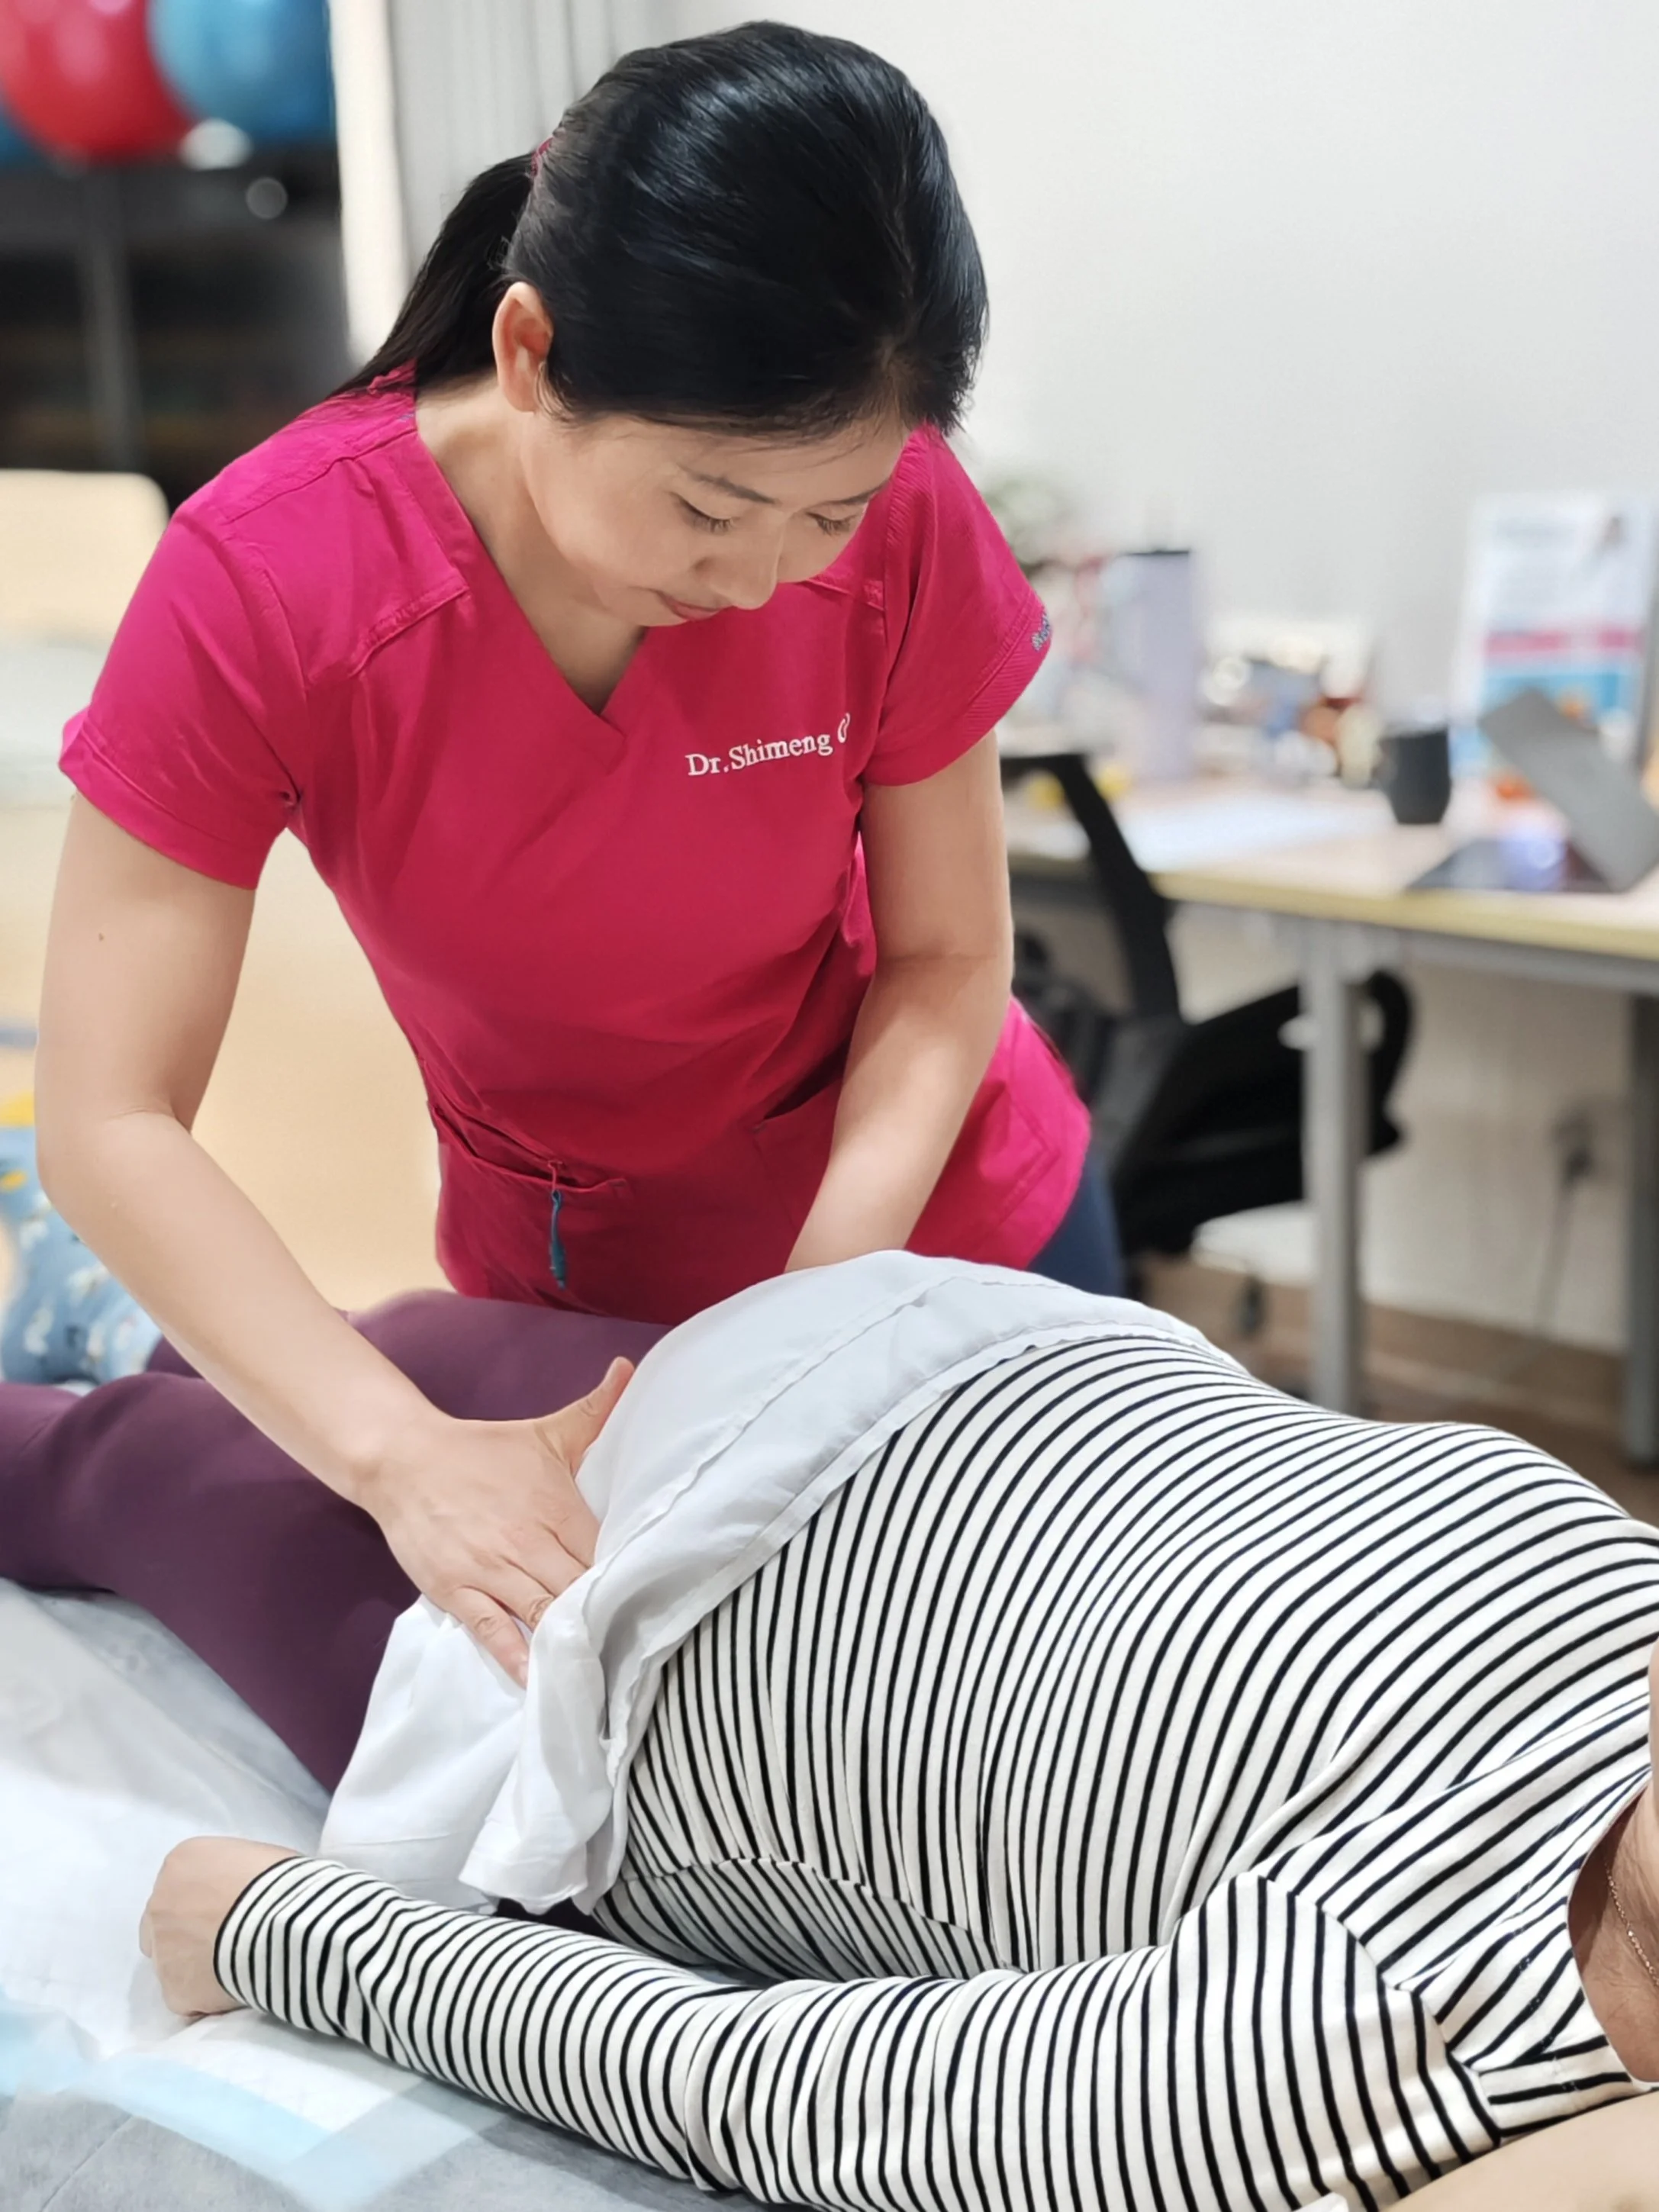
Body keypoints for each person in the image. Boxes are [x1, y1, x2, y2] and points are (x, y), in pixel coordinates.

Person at [30, 24, 1110, 1689]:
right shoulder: (277, 581)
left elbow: (950, 957)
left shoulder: (897, 510)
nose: (763, 581)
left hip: (939, 1234)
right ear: (530, 351)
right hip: (575, 1322)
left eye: (828, 518)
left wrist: (815, 1323)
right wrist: (400, 1457)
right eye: (709, 509)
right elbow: (110, 1116)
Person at [1, 1178, 1656, 2211]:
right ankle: (102, 1315)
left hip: (597, 1658)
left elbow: (780, 2092)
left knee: (108, 1469)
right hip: (903, 1363)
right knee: (336, 1349)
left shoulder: (1375, 2043)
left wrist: (277, 1932)